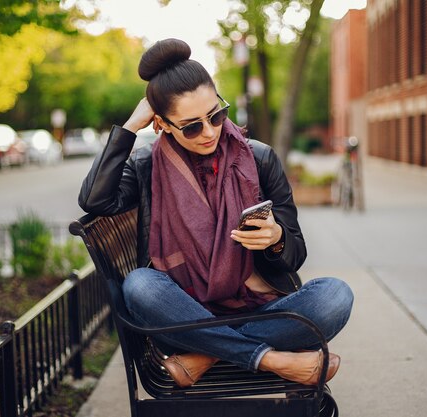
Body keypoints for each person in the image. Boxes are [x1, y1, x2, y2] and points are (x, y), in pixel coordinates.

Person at [78, 38, 353, 388]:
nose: (209, 132)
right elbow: (94, 201)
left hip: (254, 309)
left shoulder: (260, 158)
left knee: (336, 296)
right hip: (182, 316)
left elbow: (294, 256)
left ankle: (206, 354)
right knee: (140, 286)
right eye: (191, 126)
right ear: (161, 124)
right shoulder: (147, 165)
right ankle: (271, 358)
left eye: (216, 115)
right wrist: (130, 128)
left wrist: (278, 238)